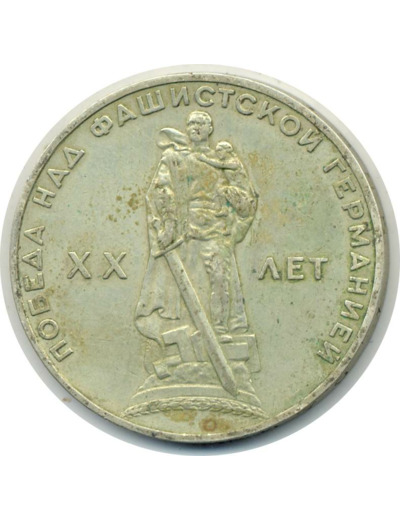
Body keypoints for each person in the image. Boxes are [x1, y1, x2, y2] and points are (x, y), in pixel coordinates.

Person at [135, 110, 257, 350]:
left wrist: (228, 194)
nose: (195, 127)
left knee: (220, 279)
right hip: (184, 231)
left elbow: (246, 199)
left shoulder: (224, 161)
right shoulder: (174, 157)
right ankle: (184, 335)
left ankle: (219, 328)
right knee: (182, 284)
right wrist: (169, 224)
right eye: (191, 123)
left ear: (210, 129)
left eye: (201, 124)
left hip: (216, 229)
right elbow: (160, 190)